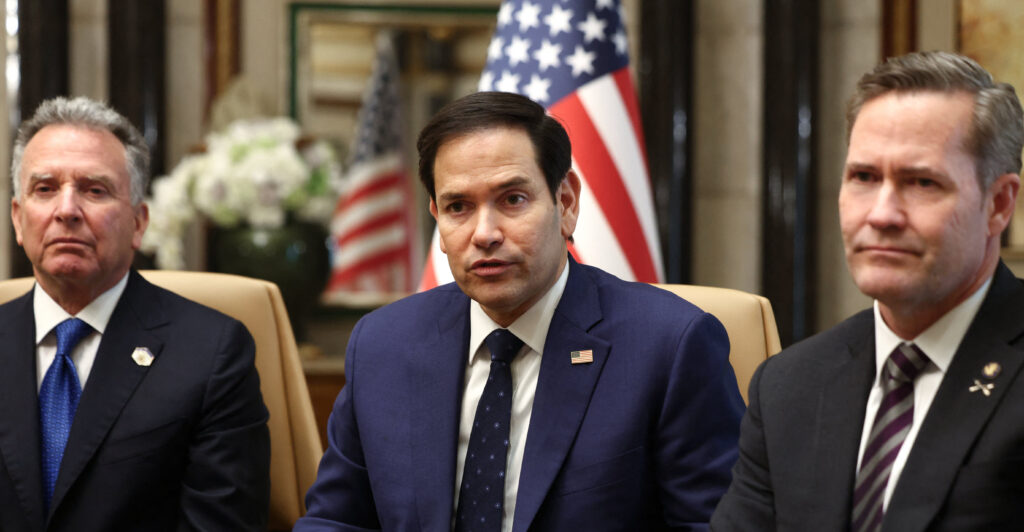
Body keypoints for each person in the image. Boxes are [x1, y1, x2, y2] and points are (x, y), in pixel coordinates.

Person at [295, 91, 744, 531]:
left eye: (513, 199)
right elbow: (336, 519)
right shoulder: (382, 344)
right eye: (458, 207)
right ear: (436, 217)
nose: (484, 233)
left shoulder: (668, 347)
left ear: (565, 203)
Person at [712, 51, 1024, 531]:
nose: (881, 214)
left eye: (921, 182)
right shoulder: (788, 387)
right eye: (863, 177)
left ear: (999, 204)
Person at [0, 97, 270, 531]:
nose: (66, 210)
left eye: (94, 190)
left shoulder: (212, 354)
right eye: (45, 188)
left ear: (139, 222)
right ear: (17, 218)